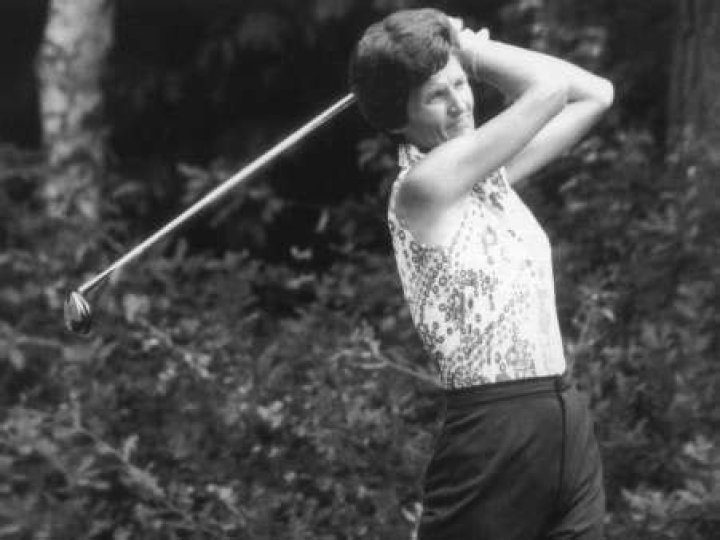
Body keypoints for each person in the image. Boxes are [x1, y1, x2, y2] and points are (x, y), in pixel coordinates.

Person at [349, 8, 614, 540]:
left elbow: (595, 94)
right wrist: (470, 49)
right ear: (397, 117)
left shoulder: (489, 178)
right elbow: (549, 89)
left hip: (562, 418)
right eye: (436, 95)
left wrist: (456, 50)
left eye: (460, 83)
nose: (460, 103)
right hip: (494, 430)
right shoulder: (422, 188)